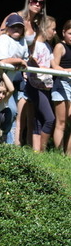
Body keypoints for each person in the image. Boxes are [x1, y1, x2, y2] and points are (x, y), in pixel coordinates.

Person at [0, 13, 29, 144]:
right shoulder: (3, 39)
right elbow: (2, 60)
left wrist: (20, 63)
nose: (16, 29)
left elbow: (26, 59)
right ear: (7, 28)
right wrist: (18, 61)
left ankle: (1, 140)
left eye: (19, 26)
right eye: (13, 26)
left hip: (8, 83)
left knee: (11, 112)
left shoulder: (23, 42)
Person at [25, 16, 56, 151]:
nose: (55, 32)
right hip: (35, 86)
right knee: (50, 119)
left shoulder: (48, 46)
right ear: (44, 28)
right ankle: (43, 151)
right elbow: (32, 63)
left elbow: (53, 65)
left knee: (39, 119)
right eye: (53, 29)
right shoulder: (34, 46)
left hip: (46, 87)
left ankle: (37, 152)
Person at [51, 20, 71, 155]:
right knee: (61, 122)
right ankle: (59, 154)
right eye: (70, 33)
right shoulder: (60, 46)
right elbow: (55, 67)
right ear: (63, 32)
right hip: (62, 84)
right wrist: (69, 71)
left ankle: (68, 155)